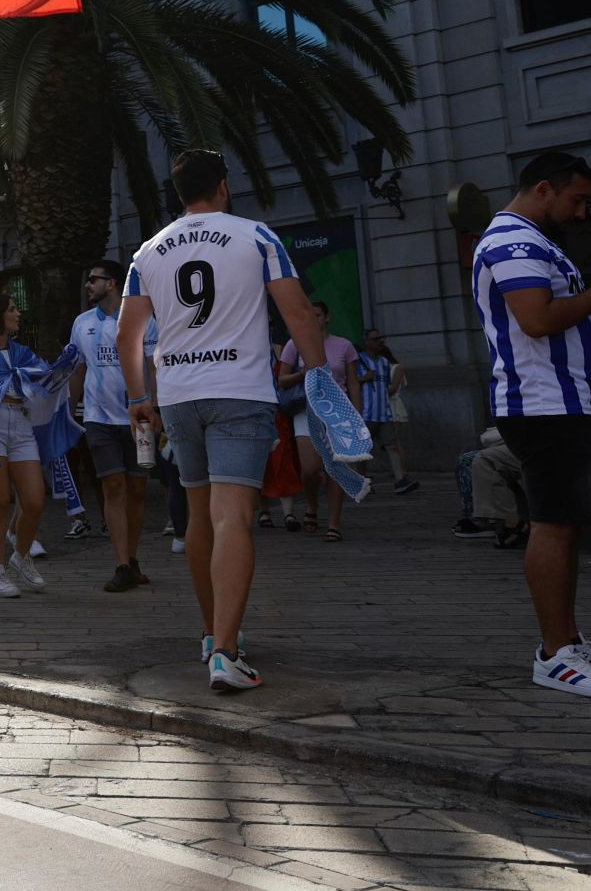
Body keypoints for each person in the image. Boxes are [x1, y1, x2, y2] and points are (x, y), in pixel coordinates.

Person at [120, 149, 329, 693]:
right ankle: (228, 652)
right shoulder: (256, 235)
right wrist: (322, 379)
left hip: (180, 397)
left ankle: (213, 634)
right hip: (239, 391)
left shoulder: (148, 251)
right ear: (224, 186)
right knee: (233, 515)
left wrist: (138, 395)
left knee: (197, 516)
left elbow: (128, 334)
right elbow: (298, 312)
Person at [470, 151, 591, 698]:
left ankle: (568, 641)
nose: (583, 212)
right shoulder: (512, 242)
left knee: (566, 526)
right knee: (552, 524)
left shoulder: (533, 242)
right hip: (544, 405)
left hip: (570, 404)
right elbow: (536, 320)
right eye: (577, 199)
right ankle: (553, 654)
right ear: (544, 189)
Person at [68, 260, 160, 592]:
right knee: (113, 488)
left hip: (139, 419)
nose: (87, 285)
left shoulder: (143, 319)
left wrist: (157, 406)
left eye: (93, 279)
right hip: (98, 419)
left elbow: (153, 366)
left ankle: (133, 560)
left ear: (112, 283)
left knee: (137, 490)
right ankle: (121, 564)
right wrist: (68, 413)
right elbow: (77, 370)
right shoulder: (81, 323)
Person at [0, 295, 47, 599]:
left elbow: (43, 377)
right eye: (12, 310)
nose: (18, 314)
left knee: (34, 501)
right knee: (0, 501)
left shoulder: (22, 352)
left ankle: (21, 555)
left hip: (22, 424)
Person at [276, 301, 364, 542]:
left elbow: (353, 382)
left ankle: (334, 523)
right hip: (307, 410)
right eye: (309, 314)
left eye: (317, 314)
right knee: (310, 469)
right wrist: (300, 374)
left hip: (338, 412)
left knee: (337, 468)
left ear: (327, 317)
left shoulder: (344, 345)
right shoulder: (295, 345)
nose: (312, 319)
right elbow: (281, 380)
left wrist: (356, 415)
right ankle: (312, 505)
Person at [358, 329, 416, 494]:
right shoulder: (358, 361)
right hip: (365, 414)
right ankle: (361, 483)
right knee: (363, 451)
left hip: (384, 413)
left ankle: (400, 480)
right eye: (376, 339)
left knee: (392, 446)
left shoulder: (384, 362)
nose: (380, 342)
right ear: (366, 341)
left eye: (381, 338)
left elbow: (387, 388)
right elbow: (350, 383)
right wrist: (363, 378)